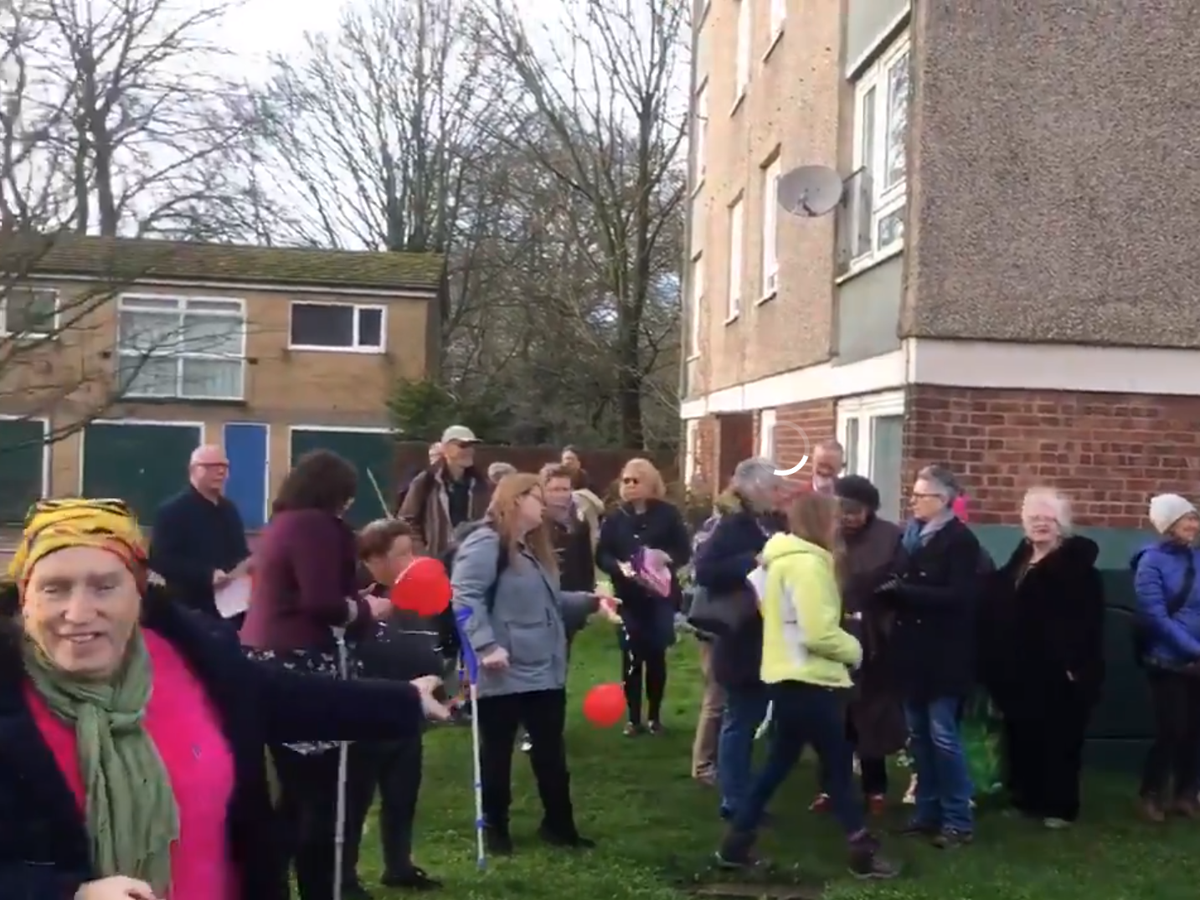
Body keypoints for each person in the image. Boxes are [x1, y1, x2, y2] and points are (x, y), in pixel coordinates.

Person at [0, 498, 447, 900]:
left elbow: (288, 699)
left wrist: (407, 699)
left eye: (104, 587)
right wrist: (71, 894)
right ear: (25, 599)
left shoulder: (193, 657)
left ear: (138, 593)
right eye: (53, 588)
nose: (78, 613)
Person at [716, 492, 897, 879]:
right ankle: (862, 851)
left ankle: (735, 844)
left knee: (778, 766)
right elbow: (818, 632)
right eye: (834, 518)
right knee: (837, 767)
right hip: (814, 678)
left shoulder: (778, 562)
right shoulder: (811, 567)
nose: (839, 525)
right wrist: (856, 649)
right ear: (821, 522)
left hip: (786, 677)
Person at [241, 450, 397, 900]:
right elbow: (322, 601)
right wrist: (367, 609)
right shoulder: (317, 526)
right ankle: (322, 887)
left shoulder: (280, 524)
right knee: (324, 796)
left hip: (266, 656)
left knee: (292, 792)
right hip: (305, 661)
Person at [451, 473, 607, 854]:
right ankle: (496, 829)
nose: (545, 504)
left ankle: (559, 825)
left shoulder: (532, 549)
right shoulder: (487, 544)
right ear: (515, 500)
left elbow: (548, 603)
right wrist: (486, 646)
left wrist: (590, 601)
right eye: (537, 497)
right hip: (502, 669)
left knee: (551, 751)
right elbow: (464, 597)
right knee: (498, 752)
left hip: (544, 667)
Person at [978, 488, 1105, 829]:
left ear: (1061, 524)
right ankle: (1024, 800)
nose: (1040, 524)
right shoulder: (1019, 562)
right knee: (1022, 736)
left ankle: (1059, 808)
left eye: (1048, 518)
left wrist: (1073, 666)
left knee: (1059, 739)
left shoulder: (1078, 569)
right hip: (1018, 670)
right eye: (1034, 518)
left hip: (1059, 673)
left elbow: (1088, 623)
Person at [879, 464, 981, 848]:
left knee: (943, 738)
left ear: (942, 500)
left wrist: (906, 593)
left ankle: (958, 819)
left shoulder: (960, 541)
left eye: (921, 495)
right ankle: (926, 812)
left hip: (944, 655)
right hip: (911, 654)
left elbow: (961, 597)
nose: (913, 501)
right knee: (918, 736)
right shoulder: (910, 535)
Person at [342, 519, 442, 896]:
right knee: (356, 799)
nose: (410, 560)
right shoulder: (358, 599)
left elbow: (432, 647)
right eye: (401, 554)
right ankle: (346, 875)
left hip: (409, 710)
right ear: (373, 560)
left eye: (410, 551)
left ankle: (399, 865)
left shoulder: (421, 596)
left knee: (402, 794)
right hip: (367, 715)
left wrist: (435, 676)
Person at [693, 458, 786, 819]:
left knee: (750, 717)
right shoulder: (734, 525)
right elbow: (705, 570)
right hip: (741, 639)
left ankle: (744, 795)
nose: (779, 494)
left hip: (764, 636)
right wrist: (753, 560)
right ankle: (736, 800)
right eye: (773, 487)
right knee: (740, 719)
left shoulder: (771, 522)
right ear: (754, 488)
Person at [810, 475, 906, 816]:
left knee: (871, 716)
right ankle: (830, 788)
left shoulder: (889, 537)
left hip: (874, 636)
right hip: (833, 634)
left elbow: (897, 578)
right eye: (843, 510)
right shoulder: (825, 536)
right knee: (835, 718)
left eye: (855, 511)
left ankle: (875, 789)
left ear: (869, 510)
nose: (848, 517)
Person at [597, 458, 691, 735]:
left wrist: (664, 560)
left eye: (635, 481)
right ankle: (633, 718)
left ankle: (654, 716)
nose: (629, 486)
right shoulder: (615, 518)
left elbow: (683, 550)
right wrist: (618, 567)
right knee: (631, 656)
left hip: (659, 596)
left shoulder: (668, 514)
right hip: (628, 597)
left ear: (650, 483)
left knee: (655, 655)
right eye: (625, 480)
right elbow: (602, 553)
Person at [1131, 493, 1200, 821]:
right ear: (1169, 524)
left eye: (1195, 518)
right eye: (1188, 518)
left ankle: (1187, 795)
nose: (1194, 524)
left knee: (1194, 731)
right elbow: (1155, 616)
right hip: (1166, 660)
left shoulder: (1196, 558)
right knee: (1172, 729)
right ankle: (1151, 793)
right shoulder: (1151, 561)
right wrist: (1194, 649)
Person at [149, 444, 251, 623]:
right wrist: (207, 575)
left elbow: (239, 552)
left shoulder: (229, 509)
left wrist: (249, 564)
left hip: (233, 609)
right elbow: (161, 560)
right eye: (211, 466)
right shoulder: (173, 511)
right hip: (190, 609)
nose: (220, 472)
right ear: (193, 470)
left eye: (224, 466)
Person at [400, 425, 490, 558]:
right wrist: (422, 553)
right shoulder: (427, 480)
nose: (469, 450)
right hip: (437, 559)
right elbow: (407, 521)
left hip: (471, 558)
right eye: (462, 445)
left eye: (471, 446)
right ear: (446, 448)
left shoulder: (480, 484)